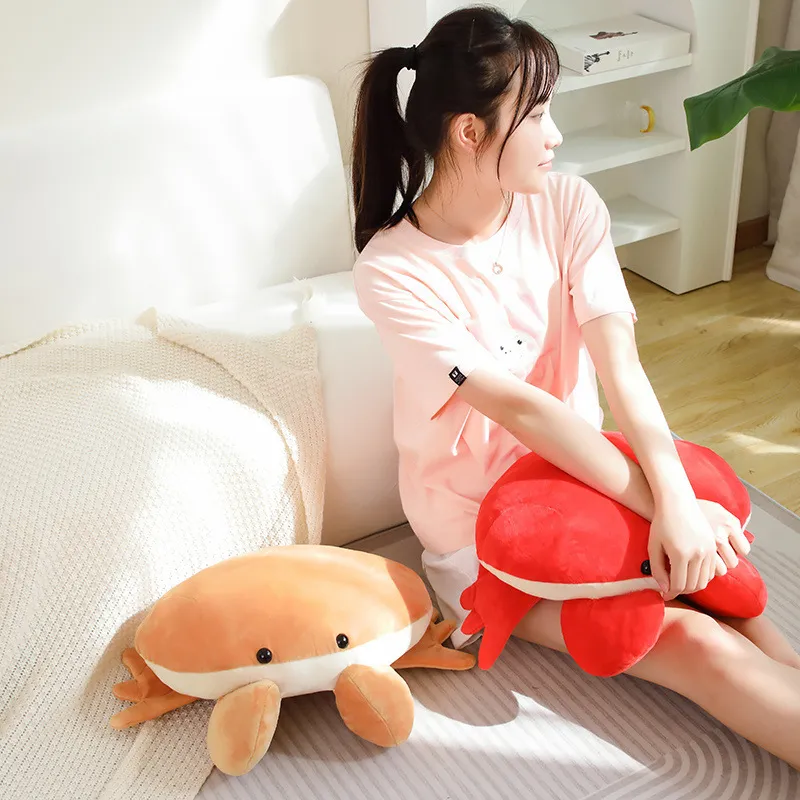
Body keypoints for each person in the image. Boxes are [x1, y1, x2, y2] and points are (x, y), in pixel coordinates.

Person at [350, 4, 800, 769]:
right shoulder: (391, 272)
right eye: (537, 114)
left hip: (581, 477)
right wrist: (663, 507)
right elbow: (522, 410)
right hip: (482, 531)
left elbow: (621, 365)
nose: (554, 134)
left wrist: (677, 502)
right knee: (690, 636)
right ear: (470, 132)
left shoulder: (567, 204)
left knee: (731, 590)